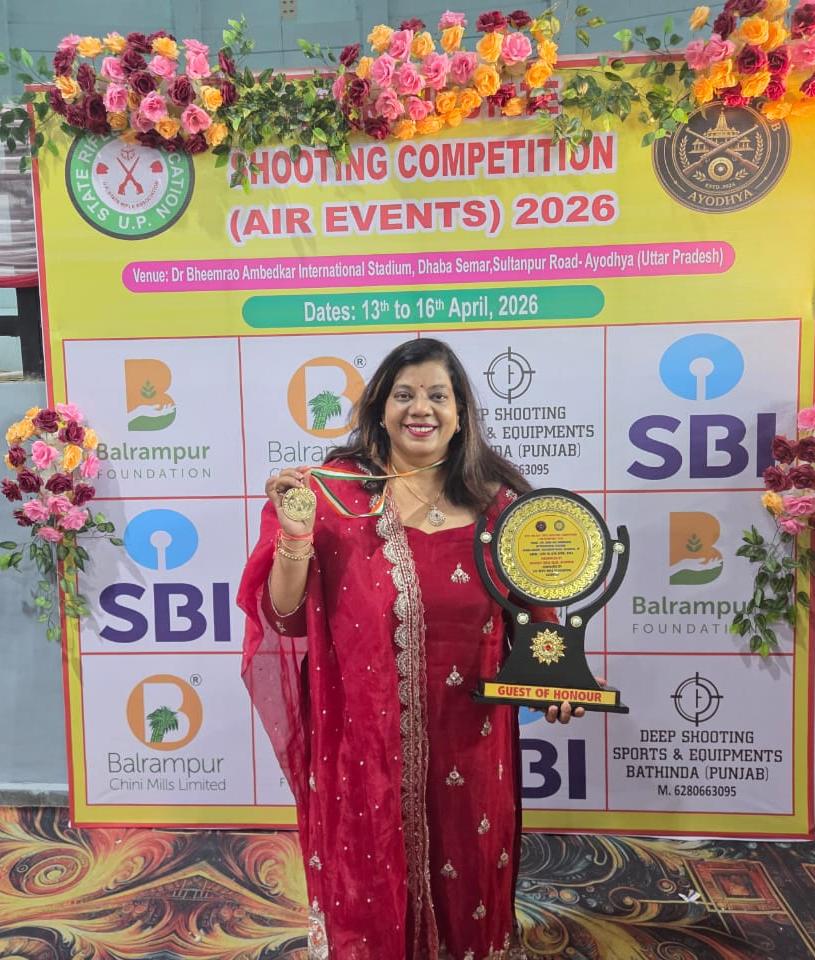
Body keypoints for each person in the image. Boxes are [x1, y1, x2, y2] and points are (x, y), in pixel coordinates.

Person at [239, 337, 588, 960]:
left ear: (461, 413)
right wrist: (294, 537)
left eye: (437, 395)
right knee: (369, 888)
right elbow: (283, 616)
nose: (420, 408)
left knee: (468, 884)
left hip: (471, 746)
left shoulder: (499, 505)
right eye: (404, 394)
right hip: (362, 747)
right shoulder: (332, 495)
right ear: (380, 409)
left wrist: (560, 681)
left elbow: (539, 620)